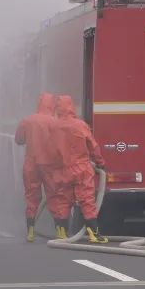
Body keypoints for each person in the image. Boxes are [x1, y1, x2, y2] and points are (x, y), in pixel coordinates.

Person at [52, 95, 109, 243]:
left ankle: (61, 232)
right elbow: (93, 146)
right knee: (87, 201)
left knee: (63, 200)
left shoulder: (53, 127)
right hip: (82, 168)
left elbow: (48, 150)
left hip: (62, 169)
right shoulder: (80, 125)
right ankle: (93, 233)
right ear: (71, 107)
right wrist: (100, 163)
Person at [14, 93, 67, 242]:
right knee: (55, 196)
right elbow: (61, 145)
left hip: (31, 164)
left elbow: (19, 140)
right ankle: (60, 231)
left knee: (31, 197)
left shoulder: (27, 120)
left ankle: (30, 231)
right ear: (52, 105)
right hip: (50, 165)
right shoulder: (56, 122)